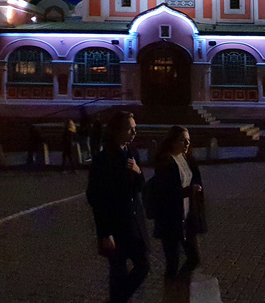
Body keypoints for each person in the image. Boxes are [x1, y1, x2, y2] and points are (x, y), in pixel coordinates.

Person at [88, 111, 150, 303]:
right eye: (129, 129)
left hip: (134, 223)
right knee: (117, 273)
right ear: (116, 131)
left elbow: (139, 188)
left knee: (144, 265)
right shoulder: (102, 160)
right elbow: (96, 198)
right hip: (115, 226)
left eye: (135, 129)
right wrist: (105, 233)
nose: (134, 133)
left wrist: (139, 173)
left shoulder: (132, 153)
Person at [148, 126, 207, 278]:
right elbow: (166, 192)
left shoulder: (187, 158)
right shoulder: (165, 163)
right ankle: (171, 292)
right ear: (173, 142)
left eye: (188, 140)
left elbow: (195, 176)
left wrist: (196, 185)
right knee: (172, 261)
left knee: (194, 257)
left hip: (187, 217)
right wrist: (189, 191)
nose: (187, 144)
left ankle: (179, 286)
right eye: (183, 140)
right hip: (170, 219)